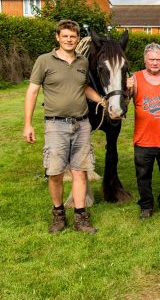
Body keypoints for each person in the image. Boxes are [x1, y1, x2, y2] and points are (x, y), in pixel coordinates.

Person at [23, 19, 104, 234]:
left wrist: (102, 101)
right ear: (58, 37)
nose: (69, 40)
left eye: (73, 36)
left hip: (82, 125)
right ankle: (58, 215)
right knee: (55, 172)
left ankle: (80, 218)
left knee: (80, 172)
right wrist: (28, 124)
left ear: (78, 39)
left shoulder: (82, 62)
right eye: (65, 36)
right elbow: (32, 91)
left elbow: (84, 87)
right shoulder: (44, 61)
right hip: (56, 125)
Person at [126, 43, 160, 219]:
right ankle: (146, 206)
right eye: (151, 59)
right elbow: (122, 104)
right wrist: (126, 88)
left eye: (158, 59)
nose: (154, 62)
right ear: (145, 60)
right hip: (144, 139)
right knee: (143, 176)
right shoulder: (135, 78)